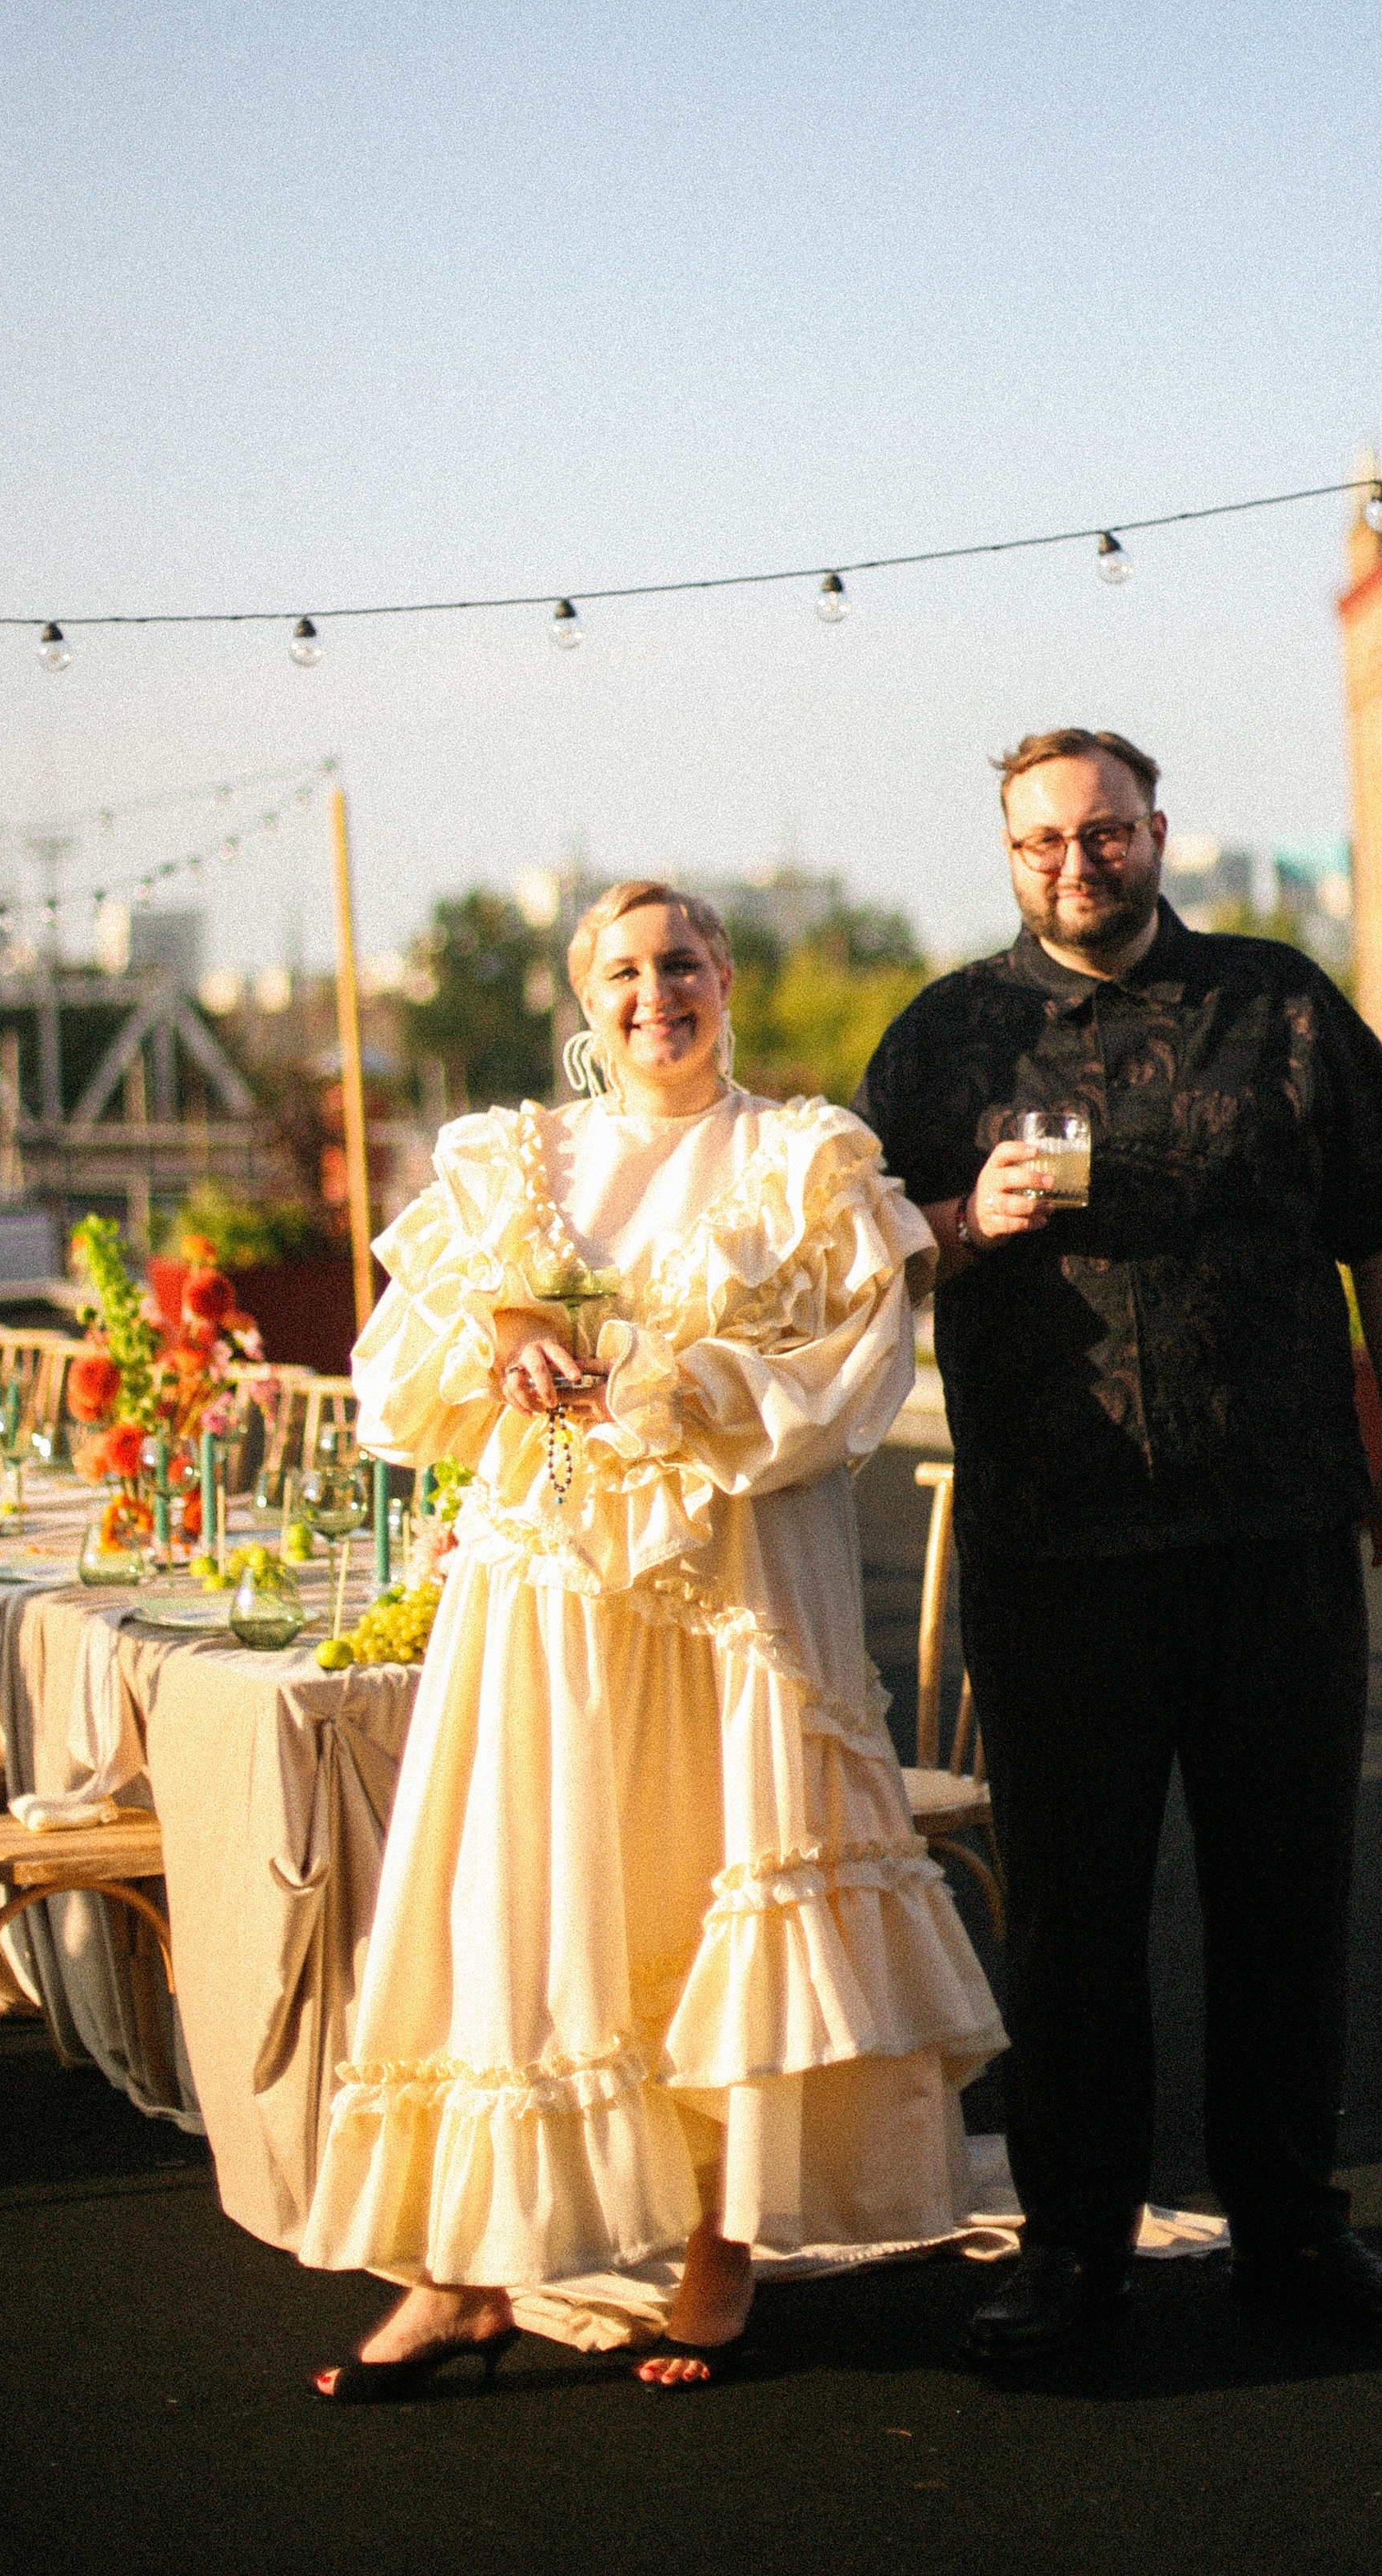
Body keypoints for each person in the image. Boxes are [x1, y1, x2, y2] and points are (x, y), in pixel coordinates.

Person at [304, 879, 1003, 2394]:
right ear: (585, 998)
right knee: (530, 1895)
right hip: (549, 1588)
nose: (653, 993)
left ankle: (720, 2242)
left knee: (715, 1874)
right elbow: (400, 1386)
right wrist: (498, 1329)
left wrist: (669, 1383)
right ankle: (462, 2273)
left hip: (741, 1588)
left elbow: (855, 1374)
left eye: (679, 961)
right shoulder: (507, 1163)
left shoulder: (809, 1158)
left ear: (725, 975)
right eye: (621, 971)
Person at [854, 728, 1382, 2362]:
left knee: (1287, 1901)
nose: (1077, 861)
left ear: (1155, 833)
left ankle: (1290, 2232)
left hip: (1273, 1528)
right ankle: (1071, 2249)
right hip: (1052, 1548)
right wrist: (954, 1225)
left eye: (1105, 831)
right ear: (1004, 857)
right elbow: (840, 1270)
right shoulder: (942, 1037)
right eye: (1041, 840)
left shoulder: (1272, 1001)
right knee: (1071, 1912)